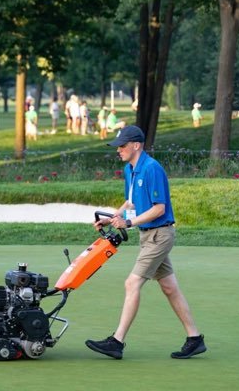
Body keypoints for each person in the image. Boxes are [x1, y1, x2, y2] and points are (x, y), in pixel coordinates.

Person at [85, 125, 207, 360]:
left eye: (122, 145)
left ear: (136, 145)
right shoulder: (130, 170)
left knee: (132, 283)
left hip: (160, 236)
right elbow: (130, 204)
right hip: (147, 235)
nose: (118, 150)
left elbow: (159, 208)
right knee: (169, 287)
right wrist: (112, 219)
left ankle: (117, 342)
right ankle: (194, 339)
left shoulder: (152, 169)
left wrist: (129, 224)